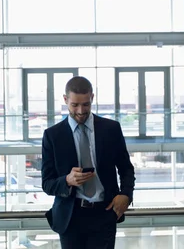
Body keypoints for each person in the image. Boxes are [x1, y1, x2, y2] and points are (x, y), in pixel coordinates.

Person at [41, 76, 136, 249]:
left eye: (86, 104)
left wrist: (126, 195)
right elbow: (47, 184)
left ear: (92, 97)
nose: (80, 110)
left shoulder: (111, 129)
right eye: (74, 105)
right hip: (70, 217)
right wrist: (67, 181)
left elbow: (126, 169)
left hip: (105, 213)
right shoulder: (52, 136)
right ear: (65, 100)